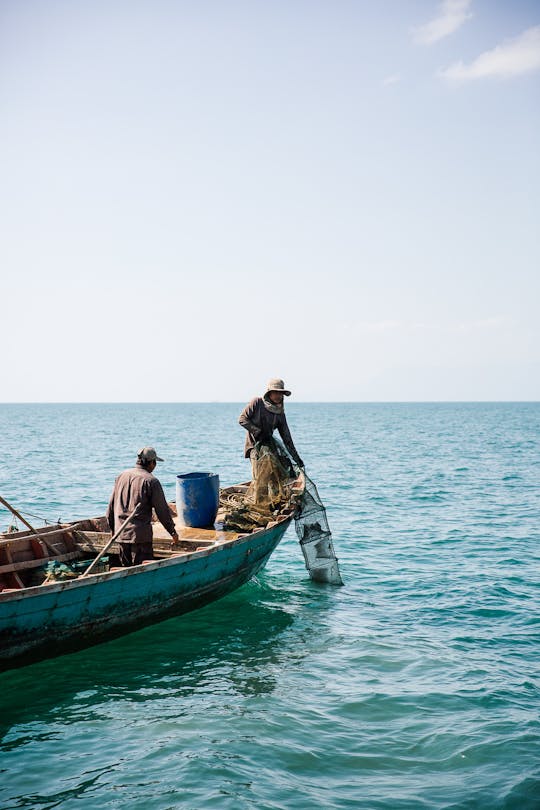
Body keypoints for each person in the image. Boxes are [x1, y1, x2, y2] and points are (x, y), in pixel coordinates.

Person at [107, 446, 179, 567]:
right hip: (139, 538)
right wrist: (173, 532)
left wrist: (114, 531)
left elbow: (110, 509)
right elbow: (162, 511)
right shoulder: (151, 481)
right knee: (142, 571)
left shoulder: (121, 476)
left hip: (121, 535)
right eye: (155, 462)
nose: (155, 466)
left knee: (126, 570)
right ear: (151, 463)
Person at [239, 378, 304, 474]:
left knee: (276, 475)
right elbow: (242, 419)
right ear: (269, 393)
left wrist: (297, 458)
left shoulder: (280, 413)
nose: (278, 396)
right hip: (254, 446)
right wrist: (258, 431)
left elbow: (287, 439)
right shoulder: (257, 403)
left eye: (280, 393)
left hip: (269, 447)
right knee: (259, 476)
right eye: (275, 392)